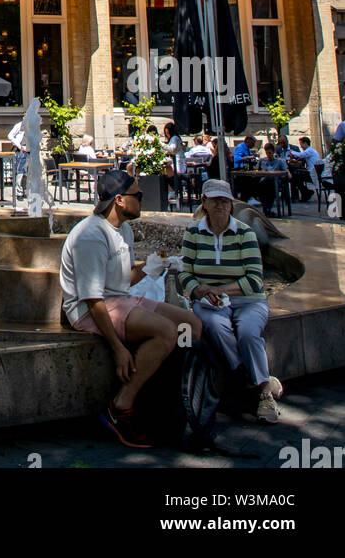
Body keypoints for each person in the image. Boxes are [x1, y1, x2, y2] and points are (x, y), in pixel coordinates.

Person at [59, 168, 202, 449]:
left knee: (191, 325)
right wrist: (118, 348)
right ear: (120, 200)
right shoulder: (90, 235)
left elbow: (125, 280)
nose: (143, 199)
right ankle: (119, 408)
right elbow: (92, 299)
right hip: (89, 310)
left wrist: (153, 267)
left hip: (118, 300)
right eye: (139, 194)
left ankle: (169, 396)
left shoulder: (123, 229)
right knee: (165, 331)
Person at [179, 179, 282, 424]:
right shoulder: (193, 232)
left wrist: (219, 290)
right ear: (204, 203)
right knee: (215, 326)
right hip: (209, 304)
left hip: (248, 301)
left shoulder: (244, 233)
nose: (220, 206)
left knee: (248, 332)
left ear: (231, 204)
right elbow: (184, 273)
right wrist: (199, 291)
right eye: (214, 200)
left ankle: (260, 390)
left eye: (225, 201)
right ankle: (260, 382)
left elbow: (255, 279)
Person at [256, 143, 290, 217]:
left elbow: (287, 172)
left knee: (270, 188)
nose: (268, 155)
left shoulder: (279, 161)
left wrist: (286, 175)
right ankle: (266, 208)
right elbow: (256, 170)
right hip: (263, 182)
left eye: (270, 153)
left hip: (275, 182)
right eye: (267, 153)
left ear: (273, 152)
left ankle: (267, 209)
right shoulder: (262, 161)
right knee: (259, 187)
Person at [288, 136, 324, 203]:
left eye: (301, 144)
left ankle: (305, 192)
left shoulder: (309, 151)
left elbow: (301, 155)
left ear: (305, 143)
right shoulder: (311, 150)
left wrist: (292, 152)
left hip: (313, 173)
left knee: (295, 176)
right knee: (297, 176)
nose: (301, 146)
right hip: (313, 172)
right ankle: (305, 192)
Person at [8, 115, 29, 200]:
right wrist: (19, 146)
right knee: (20, 171)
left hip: (30, 150)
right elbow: (10, 136)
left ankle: (26, 191)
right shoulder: (19, 125)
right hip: (22, 151)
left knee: (28, 172)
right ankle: (19, 192)